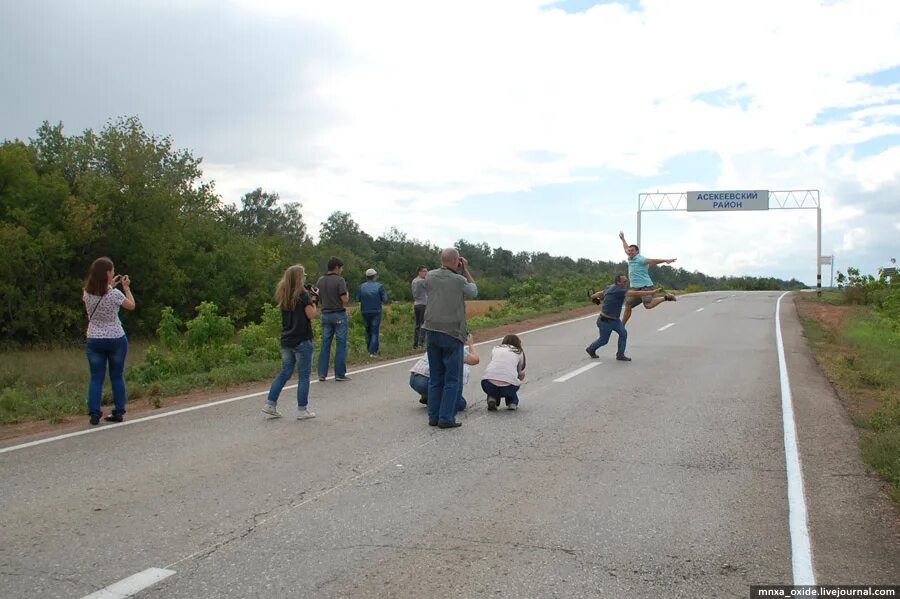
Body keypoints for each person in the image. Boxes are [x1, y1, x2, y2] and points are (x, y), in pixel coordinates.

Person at [423, 248, 477, 429]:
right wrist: (465, 270)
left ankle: (433, 416)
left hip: (431, 330)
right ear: (457, 261)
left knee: (436, 376)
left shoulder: (429, 276)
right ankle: (446, 417)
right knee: (452, 378)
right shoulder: (459, 280)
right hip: (452, 332)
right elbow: (474, 291)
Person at [262, 264, 319, 420]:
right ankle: (302, 409)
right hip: (302, 339)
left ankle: (270, 403)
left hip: (287, 338)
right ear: (299, 278)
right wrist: (315, 300)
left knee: (285, 372)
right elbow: (311, 315)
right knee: (304, 375)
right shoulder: (303, 295)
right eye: (304, 276)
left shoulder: (284, 294)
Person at [83, 257, 135, 426]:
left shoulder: (87, 293)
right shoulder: (114, 294)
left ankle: (94, 413)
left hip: (94, 339)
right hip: (116, 338)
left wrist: (110, 284)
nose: (113, 273)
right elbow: (131, 306)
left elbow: (100, 294)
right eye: (111, 271)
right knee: (116, 376)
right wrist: (126, 288)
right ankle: (119, 411)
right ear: (107, 273)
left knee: (96, 377)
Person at [586, 273, 661, 362]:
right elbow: (636, 293)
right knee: (604, 340)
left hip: (615, 320)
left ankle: (620, 355)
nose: (626, 282)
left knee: (623, 333)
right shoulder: (619, 290)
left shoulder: (609, 287)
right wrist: (651, 292)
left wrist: (593, 297)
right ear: (618, 282)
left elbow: (600, 293)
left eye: (626, 281)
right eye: (624, 281)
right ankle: (590, 349)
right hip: (605, 321)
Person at [618, 231, 677, 326]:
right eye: (629, 251)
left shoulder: (640, 259)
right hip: (635, 288)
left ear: (637, 252)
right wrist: (623, 240)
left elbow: (652, 260)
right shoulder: (630, 257)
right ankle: (622, 326)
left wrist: (666, 260)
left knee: (648, 305)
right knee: (628, 305)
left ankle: (666, 297)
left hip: (646, 287)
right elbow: (626, 247)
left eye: (632, 251)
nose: (630, 252)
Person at [409, 334, 479, 409]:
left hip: (414, 378)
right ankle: (433, 398)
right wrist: (471, 344)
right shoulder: (455, 348)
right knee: (461, 403)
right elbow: (475, 360)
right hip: (427, 381)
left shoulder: (436, 343)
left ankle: (429, 396)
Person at [316, 256, 351, 382]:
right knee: (341, 344)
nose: (341, 270)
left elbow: (316, 298)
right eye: (341, 268)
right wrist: (347, 293)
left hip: (325, 314)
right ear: (336, 267)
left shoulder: (320, 280)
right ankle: (339, 374)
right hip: (338, 314)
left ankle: (322, 373)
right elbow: (344, 299)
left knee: (325, 344)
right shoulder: (339, 280)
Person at [480, 334, 527, 411]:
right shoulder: (519, 352)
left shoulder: (495, 348)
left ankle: (492, 398)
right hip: (508, 388)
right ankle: (512, 402)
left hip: (487, 384)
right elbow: (519, 372)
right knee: (513, 379)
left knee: (495, 376)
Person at [358, 268, 388, 357]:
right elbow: (385, 299)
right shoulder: (380, 286)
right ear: (375, 276)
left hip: (364, 311)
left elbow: (358, 298)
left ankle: (370, 350)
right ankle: (372, 352)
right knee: (374, 332)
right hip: (376, 311)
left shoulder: (361, 286)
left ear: (367, 277)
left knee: (368, 331)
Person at [411, 266, 428, 348]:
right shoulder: (421, 281)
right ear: (419, 272)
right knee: (423, 324)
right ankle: (421, 343)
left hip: (416, 304)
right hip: (423, 304)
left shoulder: (414, 281)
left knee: (417, 324)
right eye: (424, 271)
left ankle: (415, 343)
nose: (426, 273)